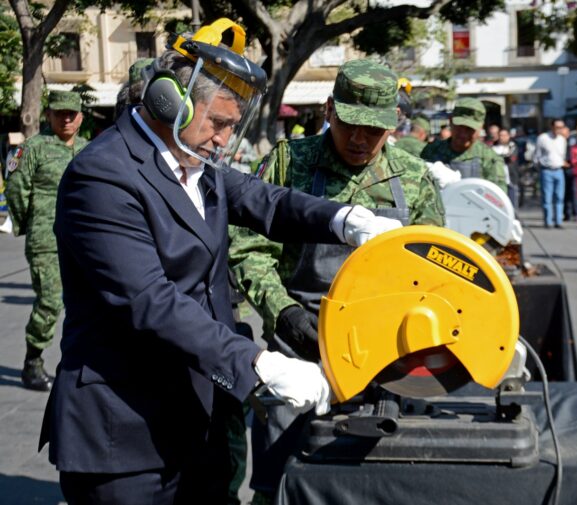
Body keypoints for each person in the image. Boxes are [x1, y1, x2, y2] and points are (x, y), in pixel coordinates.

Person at [39, 21, 401, 505]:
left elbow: (266, 201)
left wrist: (346, 219)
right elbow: (151, 301)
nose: (225, 140)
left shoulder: (191, 159)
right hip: (124, 434)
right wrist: (259, 363)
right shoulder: (103, 176)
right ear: (171, 101)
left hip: (196, 417)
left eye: (233, 125)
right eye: (219, 123)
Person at [231, 59, 444, 503]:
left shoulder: (415, 179)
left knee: (372, 485)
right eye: (350, 125)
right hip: (298, 353)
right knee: (278, 483)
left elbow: (435, 276)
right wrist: (283, 313)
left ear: (394, 124)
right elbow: (247, 249)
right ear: (329, 110)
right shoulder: (291, 164)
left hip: (386, 359)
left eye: (375, 129)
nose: (361, 139)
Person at [5, 91, 88, 391]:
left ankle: (82, 363)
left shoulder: (88, 149)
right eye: (59, 113)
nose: (66, 119)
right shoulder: (33, 149)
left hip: (84, 241)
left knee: (88, 302)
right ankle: (32, 363)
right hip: (47, 238)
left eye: (71, 114)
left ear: (80, 117)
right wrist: (30, 224)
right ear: (49, 115)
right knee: (50, 302)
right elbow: (16, 189)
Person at [421, 98, 507, 193]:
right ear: (450, 122)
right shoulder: (432, 151)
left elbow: (498, 199)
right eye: (460, 127)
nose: (463, 134)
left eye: (469, 129)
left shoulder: (489, 158)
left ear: (480, 127)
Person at [535, 119, 568, 228]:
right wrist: (539, 165)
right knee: (547, 197)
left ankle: (558, 220)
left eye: (561, 127)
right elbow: (537, 155)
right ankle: (548, 221)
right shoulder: (543, 138)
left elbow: (563, 156)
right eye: (557, 127)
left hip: (559, 170)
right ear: (552, 127)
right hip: (546, 170)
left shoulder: (562, 140)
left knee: (559, 197)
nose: (559, 130)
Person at [492, 128, 519, 207]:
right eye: (500, 135)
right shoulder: (493, 147)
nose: (502, 137)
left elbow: (511, 158)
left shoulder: (512, 146)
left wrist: (498, 158)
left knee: (512, 204)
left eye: (505, 135)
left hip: (511, 178)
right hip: (497, 180)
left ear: (508, 136)